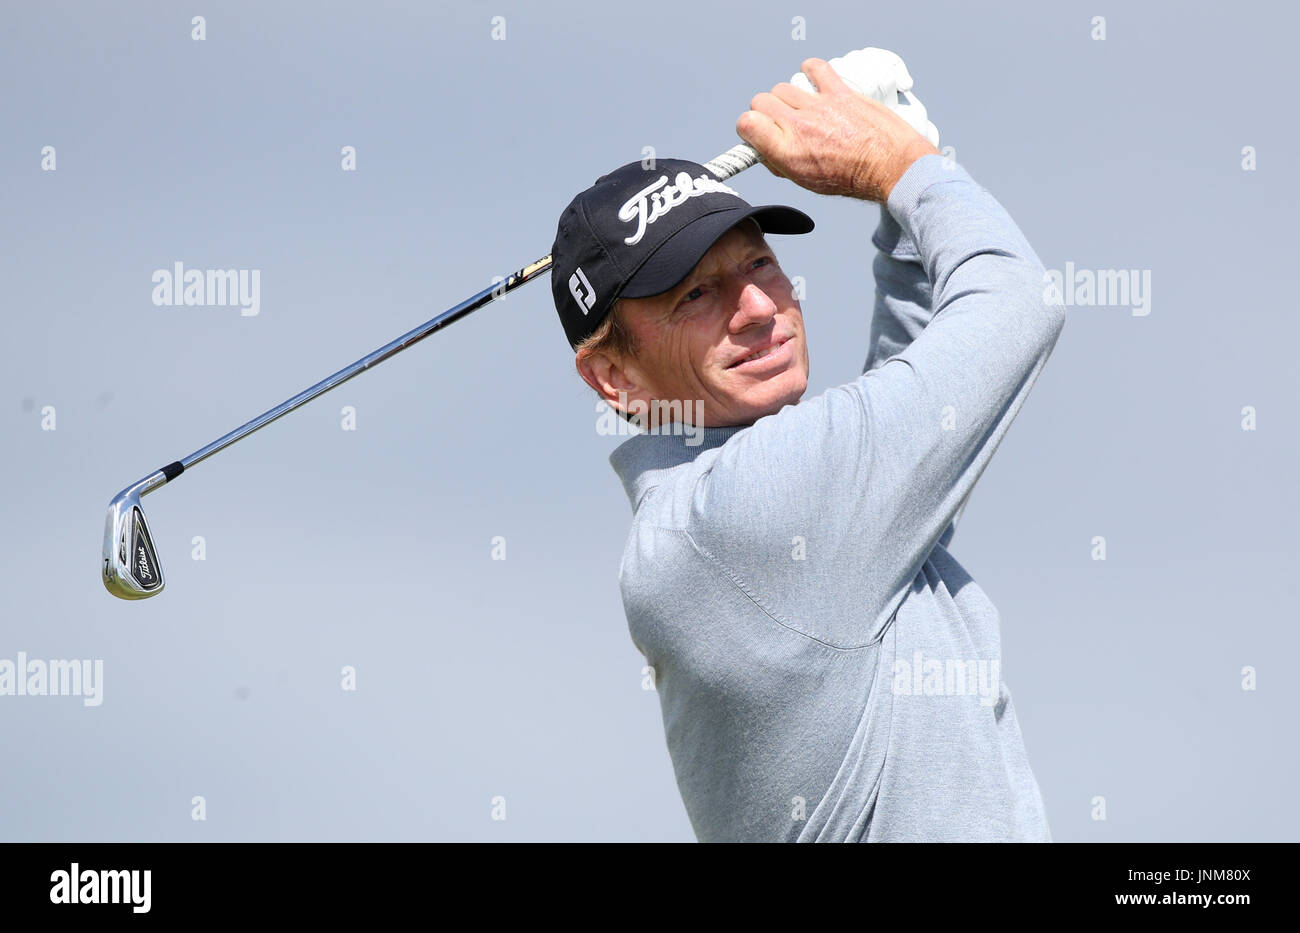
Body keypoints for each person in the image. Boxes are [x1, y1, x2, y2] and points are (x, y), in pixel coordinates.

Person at [548, 58, 1067, 842]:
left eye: (759, 262)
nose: (758, 307)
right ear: (612, 375)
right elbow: (1015, 300)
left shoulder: (715, 520)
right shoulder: (741, 517)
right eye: (695, 294)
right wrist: (905, 168)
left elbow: (916, 375)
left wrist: (904, 196)